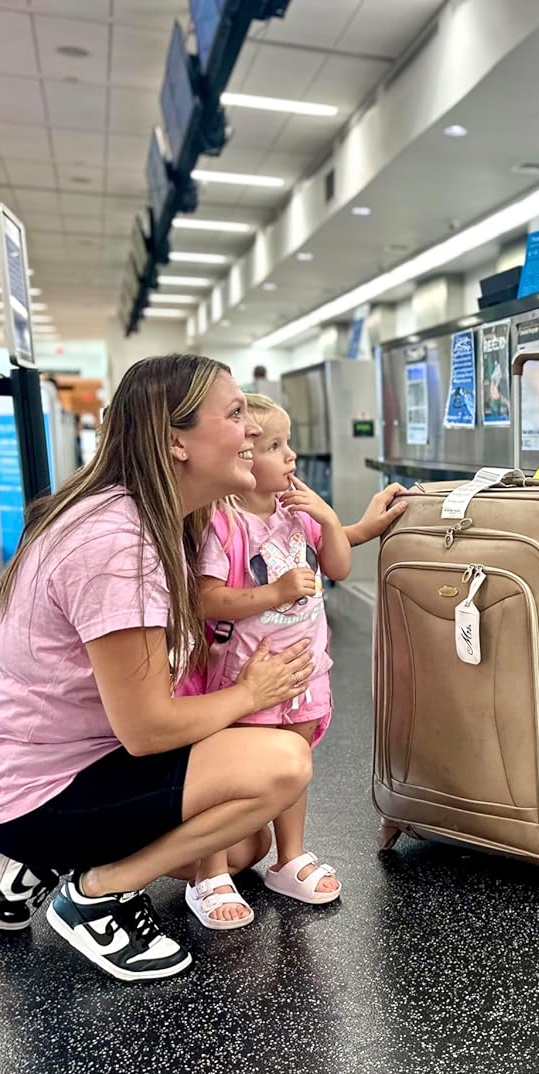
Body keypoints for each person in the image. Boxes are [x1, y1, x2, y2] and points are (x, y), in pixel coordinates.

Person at [0, 354, 407, 982]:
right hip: (45, 787)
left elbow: (289, 546)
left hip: (75, 759)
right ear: (177, 442)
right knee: (282, 764)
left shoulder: (153, 512)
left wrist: (355, 527)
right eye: (235, 414)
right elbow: (148, 730)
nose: (254, 430)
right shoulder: (118, 544)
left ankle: (37, 860)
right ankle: (94, 893)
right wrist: (250, 692)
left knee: (243, 848)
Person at [183, 393, 350, 929]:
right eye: (276, 446)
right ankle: (210, 872)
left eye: (287, 442)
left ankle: (289, 857)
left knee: (294, 763)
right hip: (245, 676)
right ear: (243, 459)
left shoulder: (298, 515)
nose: (291, 455)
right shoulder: (224, 524)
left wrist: (329, 519)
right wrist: (274, 593)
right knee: (231, 774)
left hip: (304, 672)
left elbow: (338, 568)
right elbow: (206, 598)